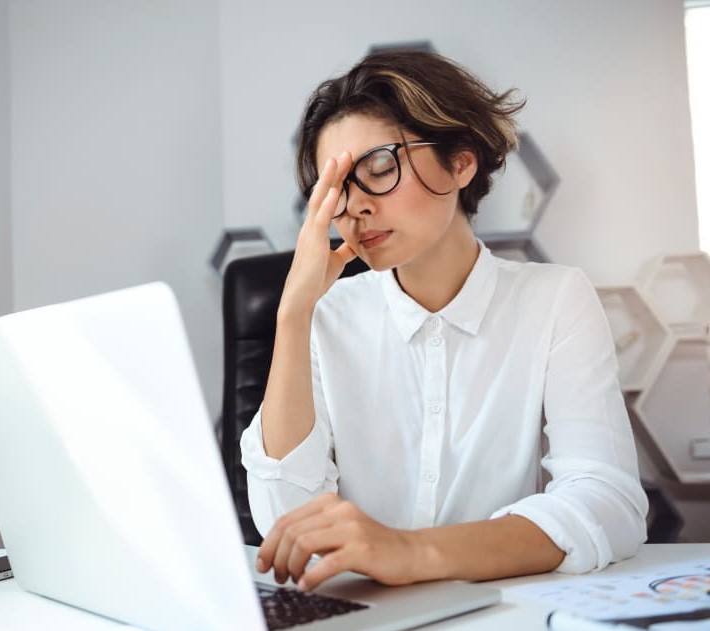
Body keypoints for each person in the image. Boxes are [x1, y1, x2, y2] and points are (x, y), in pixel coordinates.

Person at [239, 49, 648, 592]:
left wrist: (411, 553)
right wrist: (293, 314)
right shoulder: (326, 316)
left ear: (460, 162)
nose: (354, 206)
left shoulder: (555, 299)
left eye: (380, 167)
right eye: (336, 189)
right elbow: (283, 519)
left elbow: (608, 502)